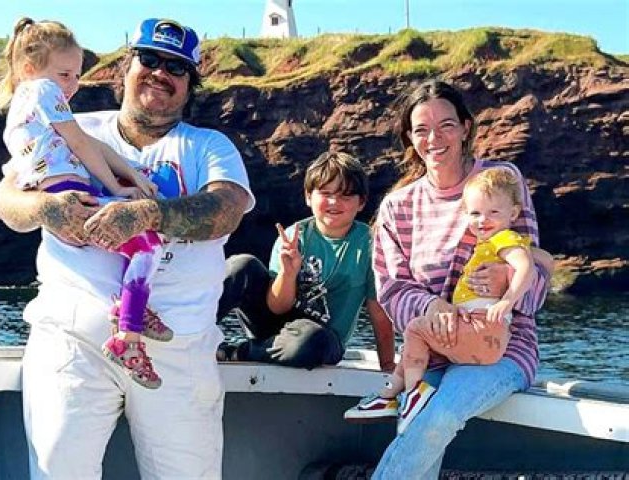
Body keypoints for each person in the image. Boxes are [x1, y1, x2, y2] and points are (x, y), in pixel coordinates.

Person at [0, 17, 254, 479]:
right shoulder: (71, 124)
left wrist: (147, 215)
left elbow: (226, 208)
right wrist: (46, 208)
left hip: (177, 352)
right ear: (125, 67)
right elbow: (6, 200)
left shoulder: (210, 147)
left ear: (190, 84)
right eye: (148, 59)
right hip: (72, 343)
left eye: (176, 67)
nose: (160, 73)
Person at [361, 79, 551, 479]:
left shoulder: (500, 181)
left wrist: (505, 282)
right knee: (415, 422)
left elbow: (533, 285)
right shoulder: (397, 207)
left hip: (499, 348)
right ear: (409, 138)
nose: (434, 139)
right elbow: (392, 290)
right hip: (429, 352)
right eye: (421, 130)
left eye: (446, 125)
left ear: (465, 128)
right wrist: (434, 307)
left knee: (440, 414)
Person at [0, 17, 174, 389]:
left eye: (76, 76)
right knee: (149, 247)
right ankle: (128, 333)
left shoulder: (26, 117)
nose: (72, 85)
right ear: (29, 68)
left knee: (141, 246)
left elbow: (92, 144)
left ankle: (131, 309)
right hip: (73, 192)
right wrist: (117, 188)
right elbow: (81, 143)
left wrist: (133, 175)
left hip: (61, 190)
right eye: (65, 74)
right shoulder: (43, 90)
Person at [345, 168, 554, 431]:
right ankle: (390, 395)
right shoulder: (488, 242)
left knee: (416, 331)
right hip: (473, 330)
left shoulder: (503, 239)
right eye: (475, 214)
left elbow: (528, 269)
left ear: (513, 213)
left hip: (483, 332)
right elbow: (544, 260)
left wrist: (507, 300)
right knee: (418, 340)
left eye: (493, 213)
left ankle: (410, 394)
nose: (483, 220)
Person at [216, 152, 396, 371]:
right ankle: (187, 336)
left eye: (346, 196)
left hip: (319, 340)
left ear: (361, 202)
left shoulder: (370, 245)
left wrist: (387, 364)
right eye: (326, 193)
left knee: (311, 339)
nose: (334, 202)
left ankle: (239, 352)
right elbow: (277, 307)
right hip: (275, 326)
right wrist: (288, 273)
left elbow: (378, 310)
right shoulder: (293, 237)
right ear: (308, 196)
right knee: (241, 265)